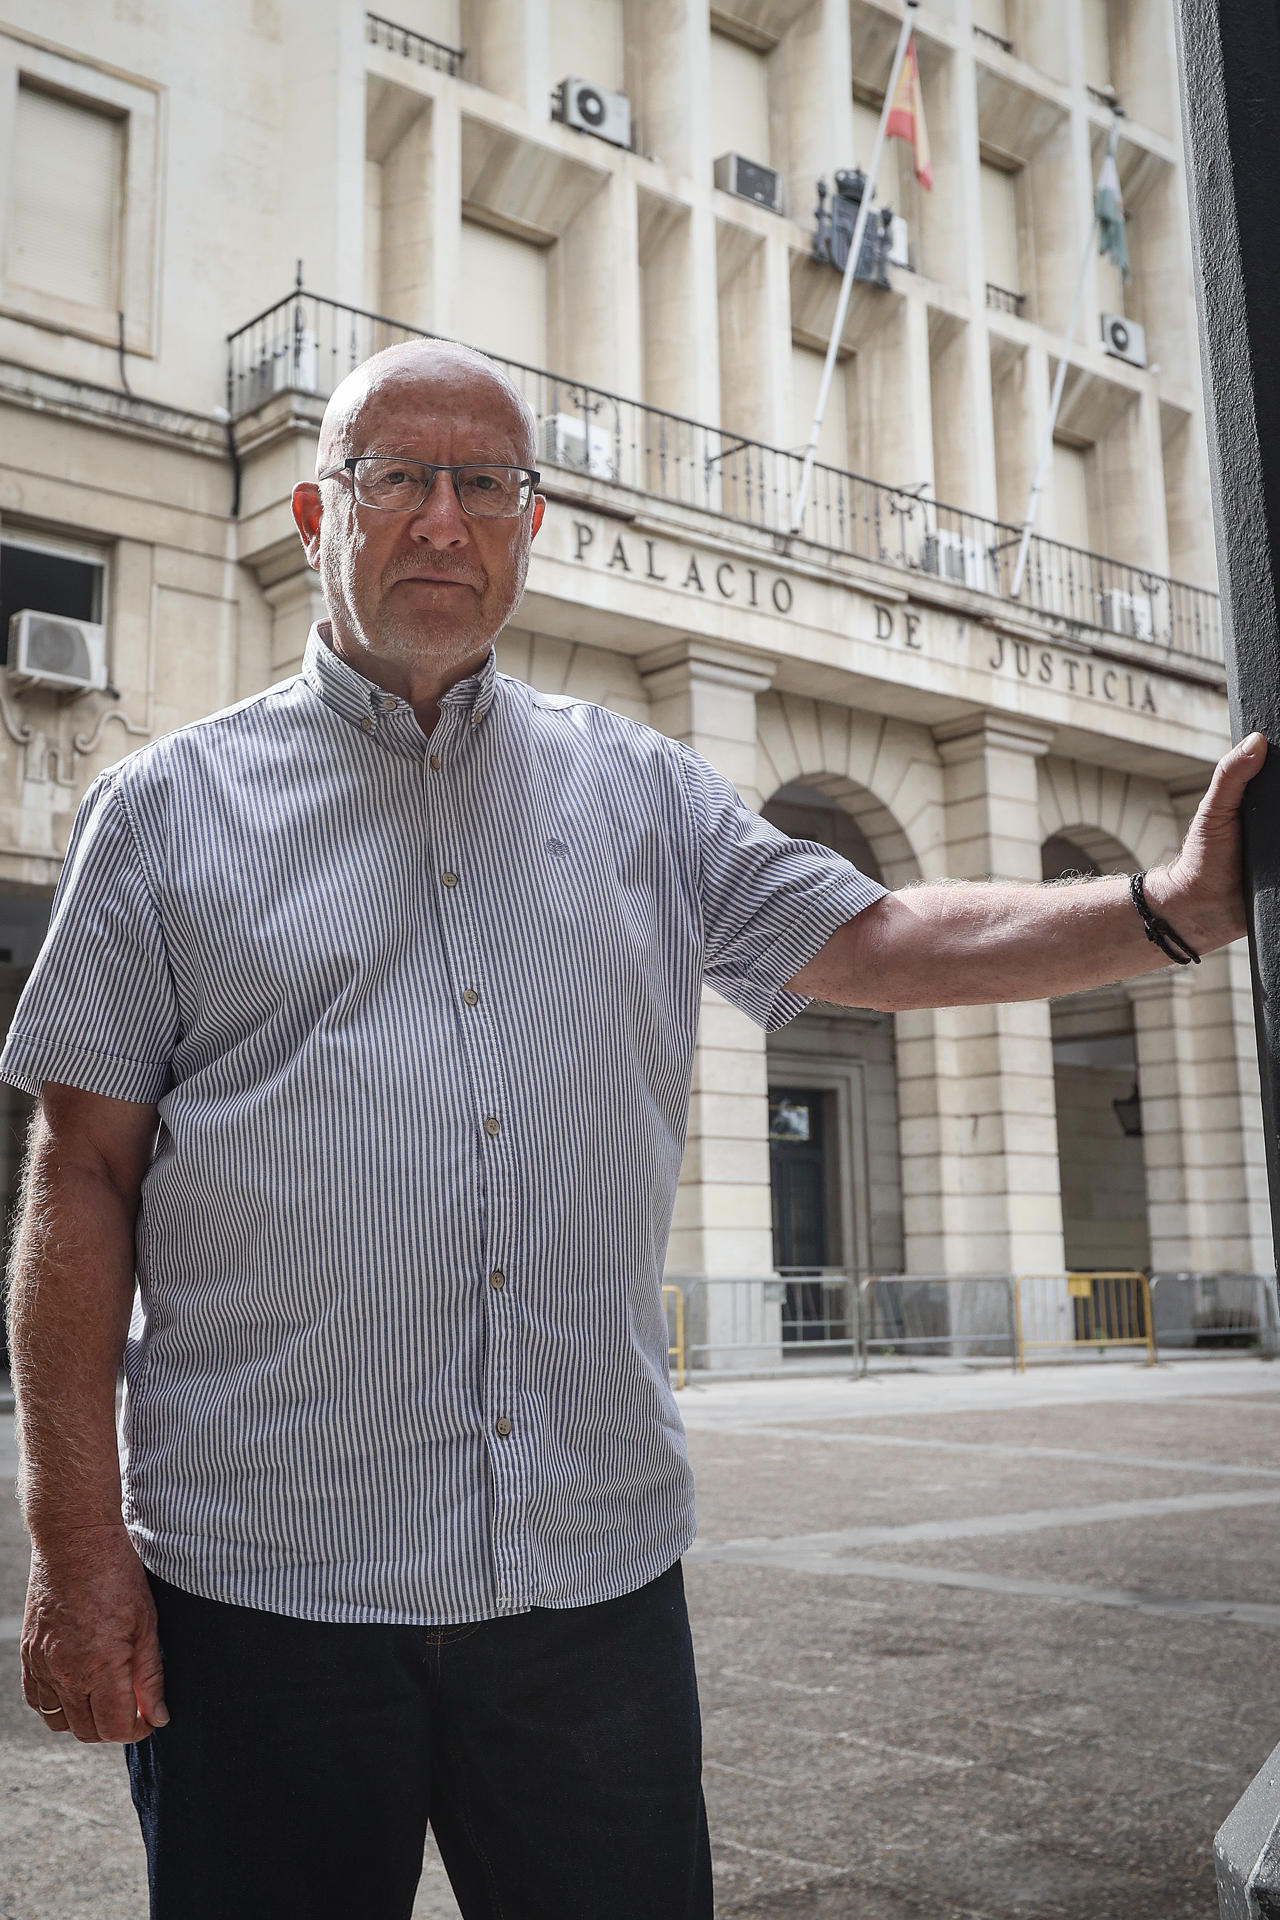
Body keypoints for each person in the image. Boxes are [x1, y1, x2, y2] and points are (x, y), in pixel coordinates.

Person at [4, 339, 1263, 1920]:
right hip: (263, 1591)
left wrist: (1170, 909)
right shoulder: (166, 812)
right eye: (399, 479)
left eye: (488, 484)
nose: (444, 520)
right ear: (319, 512)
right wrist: (75, 1542)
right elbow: (85, 1175)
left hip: (583, 1594)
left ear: (532, 528)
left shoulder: (639, 794)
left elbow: (881, 939)